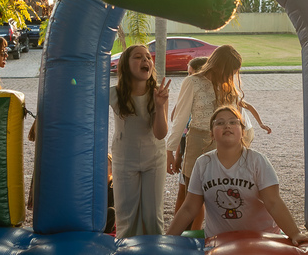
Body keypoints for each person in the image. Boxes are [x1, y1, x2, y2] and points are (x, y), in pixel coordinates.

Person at [166, 105, 308, 244]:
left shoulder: (257, 161)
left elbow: (273, 203)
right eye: (220, 123)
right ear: (211, 134)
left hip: (261, 239)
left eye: (233, 122)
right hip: (219, 241)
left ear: (243, 132)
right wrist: (167, 240)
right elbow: (189, 208)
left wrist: (295, 233)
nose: (227, 126)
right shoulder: (203, 163)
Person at [167, 45, 270, 192]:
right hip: (198, 142)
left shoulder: (227, 85)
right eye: (230, 71)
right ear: (220, 67)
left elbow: (236, 116)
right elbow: (180, 118)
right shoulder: (192, 82)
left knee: (221, 192)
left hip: (224, 143)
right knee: (194, 192)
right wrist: (170, 151)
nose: (232, 76)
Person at [110, 44, 171, 236]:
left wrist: (159, 106)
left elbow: (160, 133)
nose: (145, 60)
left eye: (148, 57)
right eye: (138, 57)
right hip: (124, 159)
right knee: (126, 216)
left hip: (154, 159)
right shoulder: (113, 93)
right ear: (125, 65)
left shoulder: (158, 93)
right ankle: (126, 250)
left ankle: (154, 251)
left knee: (153, 216)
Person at [171, 56, 209, 230]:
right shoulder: (188, 97)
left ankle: (194, 230)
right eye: (188, 74)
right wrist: (178, 154)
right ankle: (179, 227)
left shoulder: (204, 104)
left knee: (196, 195)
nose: (189, 78)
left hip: (195, 150)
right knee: (182, 192)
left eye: (191, 74)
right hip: (186, 150)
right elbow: (178, 125)